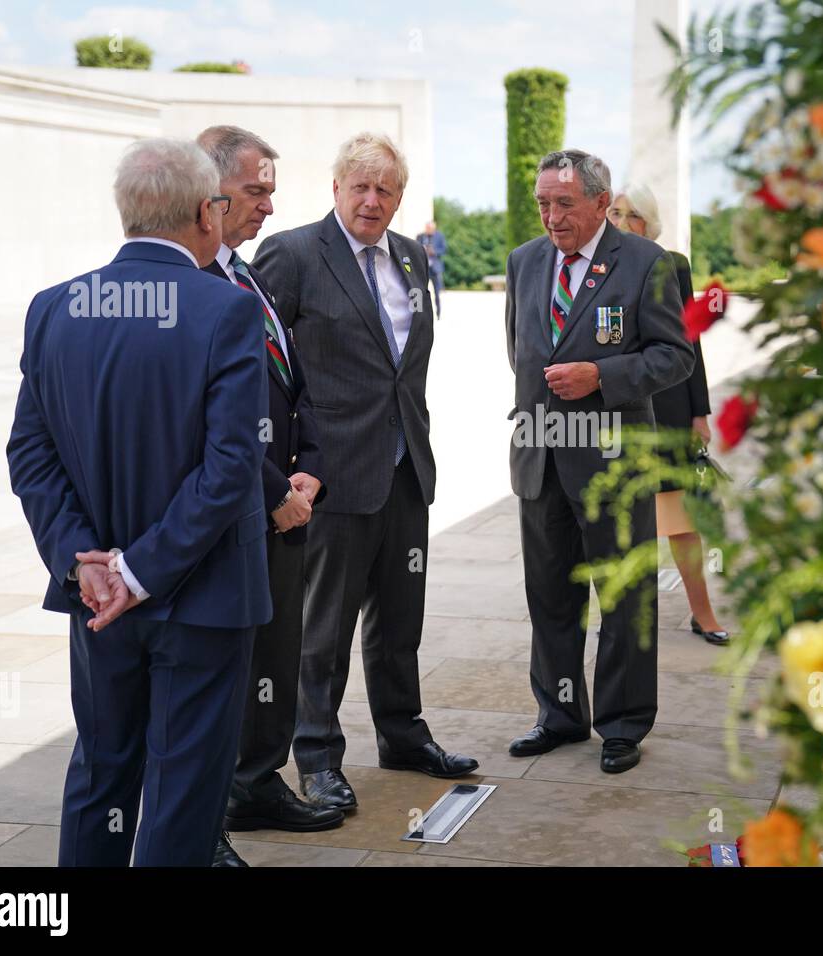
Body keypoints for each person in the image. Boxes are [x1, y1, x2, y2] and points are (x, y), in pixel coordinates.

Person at [6, 138, 271, 866]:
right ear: (202, 213)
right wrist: (138, 571)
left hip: (94, 598)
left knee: (101, 774)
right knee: (182, 794)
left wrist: (83, 563)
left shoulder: (54, 308)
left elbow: (30, 454)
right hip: (202, 596)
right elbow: (229, 467)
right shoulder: (226, 311)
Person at [254, 133, 478, 812]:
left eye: (387, 190)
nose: (373, 201)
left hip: (406, 467)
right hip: (332, 474)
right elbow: (260, 363)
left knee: (400, 620)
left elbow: (405, 367)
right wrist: (287, 462)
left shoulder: (411, 257)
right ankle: (317, 756)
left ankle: (403, 735)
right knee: (323, 631)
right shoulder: (292, 254)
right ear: (336, 188)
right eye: (362, 186)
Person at [504, 149, 695, 774]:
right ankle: (559, 715)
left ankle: (621, 724)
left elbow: (675, 357)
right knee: (551, 599)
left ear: (599, 201)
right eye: (542, 203)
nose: (551, 217)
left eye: (564, 204)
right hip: (541, 459)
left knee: (624, 596)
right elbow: (521, 352)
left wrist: (602, 376)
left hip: (614, 462)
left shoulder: (647, 264)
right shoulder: (524, 262)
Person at [196, 125, 343, 868]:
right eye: (257, 190)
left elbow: (292, 378)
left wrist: (309, 464)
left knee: (276, 656)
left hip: (286, 501)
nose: (269, 204)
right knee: (227, 667)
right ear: (210, 192)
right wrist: (272, 490)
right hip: (236, 513)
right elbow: (208, 418)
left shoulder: (246, 273)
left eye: (272, 190)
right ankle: (211, 811)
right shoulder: (195, 286)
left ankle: (258, 780)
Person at [607, 184, 729, 645]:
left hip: (671, 407)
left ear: (647, 221)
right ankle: (625, 621)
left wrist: (701, 410)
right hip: (619, 407)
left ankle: (704, 613)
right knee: (619, 519)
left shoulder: (671, 264)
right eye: (614, 212)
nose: (618, 220)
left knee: (680, 520)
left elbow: (691, 338)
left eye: (629, 213)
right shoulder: (600, 266)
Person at [416, 220, 447, 316]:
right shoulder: (420, 236)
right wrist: (422, 249)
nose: (430, 230)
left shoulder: (440, 236)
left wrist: (434, 251)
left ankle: (438, 313)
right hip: (423, 267)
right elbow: (414, 248)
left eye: (432, 229)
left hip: (435, 268)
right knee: (420, 291)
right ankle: (420, 313)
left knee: (437, 292)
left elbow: (444, 249)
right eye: (428, 228)